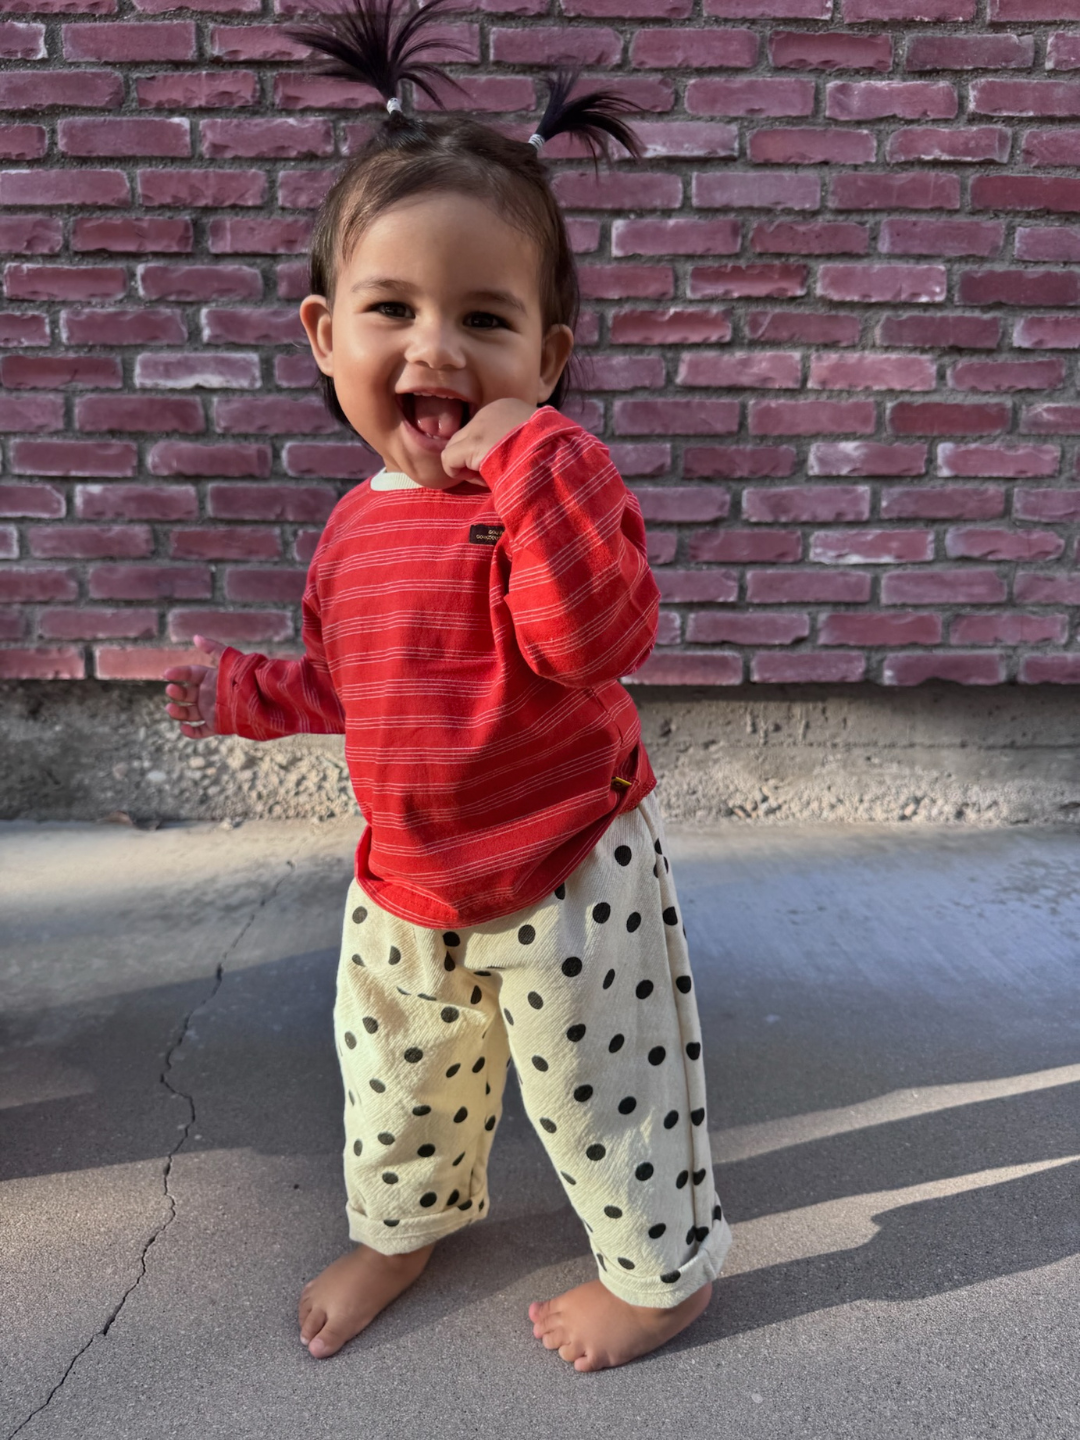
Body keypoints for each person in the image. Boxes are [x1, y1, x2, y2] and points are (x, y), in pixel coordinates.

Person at [162, 0, 732, 1373]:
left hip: (564, 867)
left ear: (547, 357)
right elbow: (347, 679)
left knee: (606, 1089)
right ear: (322, 333)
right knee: (402, 1085)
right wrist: (245, 693)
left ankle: (662, 1273)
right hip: (406, 877)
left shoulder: (560, 481)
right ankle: (405, 1225)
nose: (435, 351)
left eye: (485, 319)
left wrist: (530, 463)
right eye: (392, 311)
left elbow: (592, 642)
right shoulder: (354, 524)